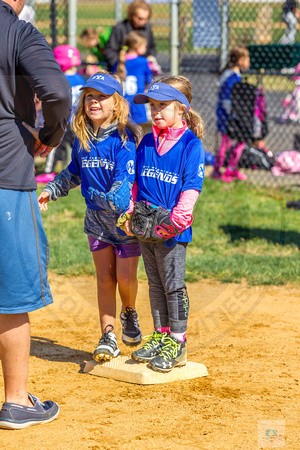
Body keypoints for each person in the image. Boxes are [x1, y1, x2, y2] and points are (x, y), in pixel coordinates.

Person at [37, 70, 143, 362]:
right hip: (96, 221)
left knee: (125, 278)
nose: (94, 102)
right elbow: (74, 173)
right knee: (104, 279)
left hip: (124, 221)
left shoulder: (123, 140)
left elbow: (122, 185)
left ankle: (129, 312)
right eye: (89, 97)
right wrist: (53, 188)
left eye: (101, 97)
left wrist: (102, 198)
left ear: (116, 104)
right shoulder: (83, 141)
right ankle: (108, 336)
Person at [0, 0, 71, 430]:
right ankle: (16, 401)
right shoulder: (19, 31)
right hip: (6, 169)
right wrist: (51, 133)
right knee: (10, 292)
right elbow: (58, 93)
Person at [118, 76, 205, 373]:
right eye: (152, 105)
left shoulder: (190, 145)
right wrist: (130, 214)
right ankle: (161, 334)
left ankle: (177, 342)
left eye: (162, 105)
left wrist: (175, 222)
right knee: (155, 284)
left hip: (171, 230)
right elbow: (135, 184)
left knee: (173, 285)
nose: (155, 111)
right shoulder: (145, 142)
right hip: (145, 224)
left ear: (181, 109)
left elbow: (192, 187)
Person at [36, 45, 85, 183]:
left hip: (63, 121)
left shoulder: (60, 78)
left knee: (54, 147)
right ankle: (83, 172)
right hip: (77, 121)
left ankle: (48, 171)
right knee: (79, 148)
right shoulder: (80, 78)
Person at [212, 45, 250, 182]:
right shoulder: (232, 77)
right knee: (227, 144)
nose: (249, 62)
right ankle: (221, 171)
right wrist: (234, 115)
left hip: (228, 115)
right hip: (229, 117)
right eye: (247, 59)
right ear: (240, 60)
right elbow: (227, 99)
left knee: (232, 143)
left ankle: (228, 169)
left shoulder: (232, 75)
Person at [113, 31, 152, 133]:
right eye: (144, 46)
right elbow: (148, 81)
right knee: (138, 132)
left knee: (122, 132)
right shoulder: (142, 61)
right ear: (137, 46)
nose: (146, 49)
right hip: (137, 103)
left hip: (121, 103)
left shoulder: (119, 61)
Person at [105, 0, 157, 71]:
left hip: (141, 69)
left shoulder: (147, 28)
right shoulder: (119, 28)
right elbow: (110, 51)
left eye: (146, 19)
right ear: (132, 15)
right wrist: (121, 66)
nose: (142, 22)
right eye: (140, 18)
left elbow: (152, 47)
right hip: (122, 70)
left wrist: (149, 60)